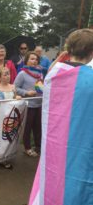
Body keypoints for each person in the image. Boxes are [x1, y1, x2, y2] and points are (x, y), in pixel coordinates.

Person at [28, 29, 93, 205]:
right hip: (82, 147)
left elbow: (52, 70)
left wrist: (62, 56)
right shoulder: (90, 79)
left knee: (54, 183)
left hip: (55, 146)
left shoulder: (53, 76)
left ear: (68, 50)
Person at [14, 51, 42, 157]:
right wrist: (26, 92)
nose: (34, 61)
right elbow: (15, 88)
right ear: (26, 61)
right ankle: (27, 148)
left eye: (36, 59)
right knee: (27, 128)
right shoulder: (22, 73)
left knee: (38, 128)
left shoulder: (40, 73)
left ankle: (38, 147)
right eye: (32, 59)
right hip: (28, 105)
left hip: (39, 104)